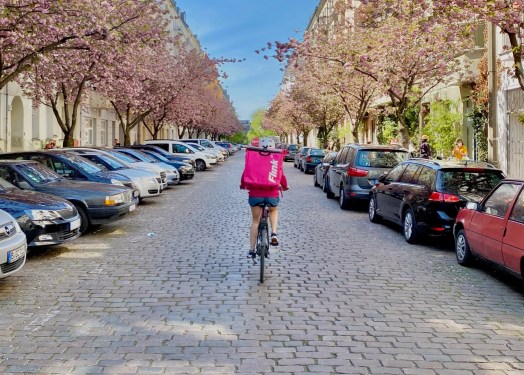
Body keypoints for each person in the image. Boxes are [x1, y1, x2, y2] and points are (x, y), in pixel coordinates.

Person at [240, 138, 289, 258]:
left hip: (255, 194)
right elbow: (281, 176)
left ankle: (251, 250)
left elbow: (245, 173)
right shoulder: (275, 159)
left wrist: (243, 185)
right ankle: (273, 234)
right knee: (273, 210)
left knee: (255, 221)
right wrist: (285, 187)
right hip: (271, 194)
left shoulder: (253, 158)